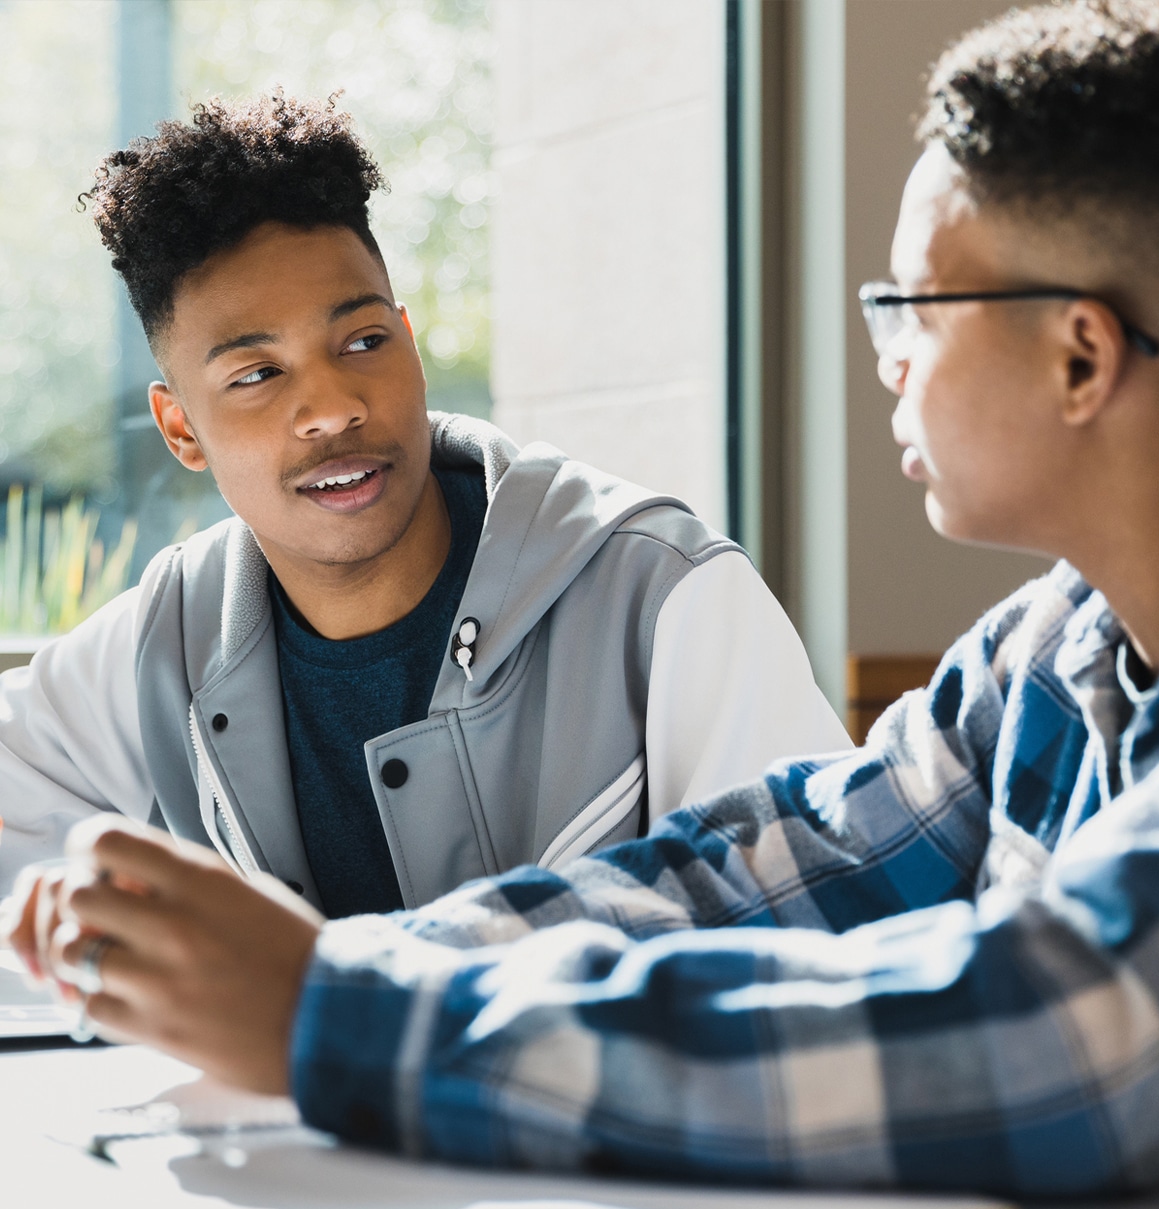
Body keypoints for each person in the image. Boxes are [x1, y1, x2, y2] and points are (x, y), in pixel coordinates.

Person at [24, 0, 1159, 1198]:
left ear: (1079, 358)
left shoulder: (659, 582)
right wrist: (329, 977)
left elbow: (1067, 1043)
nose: (887, 357)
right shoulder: (1046, 657)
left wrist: (338, 1017)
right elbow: (758, 874)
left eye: (912, 306)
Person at [0, 94, 846, 916]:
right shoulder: (170, 638)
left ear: (410, 340)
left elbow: (825, 928)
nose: (333, 406)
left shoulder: (663, 597)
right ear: (181, 427)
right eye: (258, 374)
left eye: (364, 342)